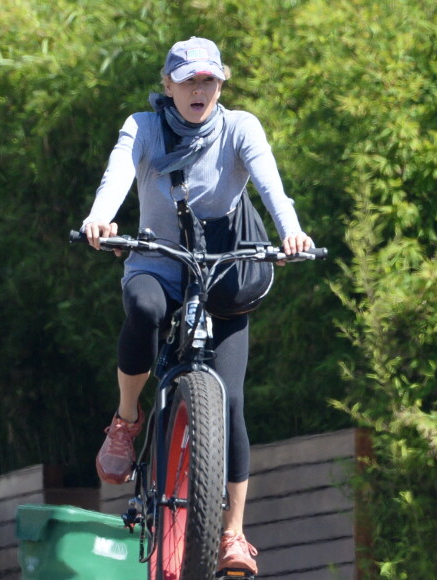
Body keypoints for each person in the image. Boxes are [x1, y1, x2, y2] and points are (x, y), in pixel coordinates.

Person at [82, 37, 312, 576]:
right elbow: (116, 176)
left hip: (223, 272)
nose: (199, 90)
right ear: (167, 86)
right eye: (188, 81)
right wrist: (100, 218)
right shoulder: (142, 127)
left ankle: (232, 534)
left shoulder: (240, 127)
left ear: (220, 86)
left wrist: (293, 233)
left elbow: (272, 186)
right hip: (158, 263)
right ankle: (127, 418)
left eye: (209, 81)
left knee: (229, 403)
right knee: (142, 308)